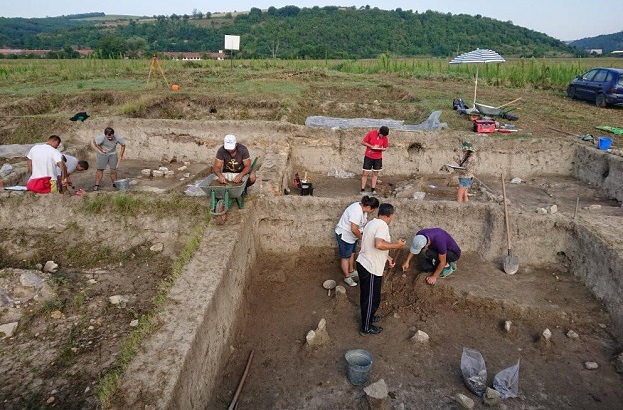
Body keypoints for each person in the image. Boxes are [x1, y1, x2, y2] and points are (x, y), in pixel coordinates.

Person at [356, 203, 406, 335]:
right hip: (370, 267)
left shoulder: (372, 223)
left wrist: (388, 258)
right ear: (390, 215)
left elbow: (372, 245)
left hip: (364, 263)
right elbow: (379, 244)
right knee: (371, 299)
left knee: (369, 296)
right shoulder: (382, 226)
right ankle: (366, 326)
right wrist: (397, 246)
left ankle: (369, 317)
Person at [335, 195, 380, 287]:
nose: (373, 212)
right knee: (345, 257)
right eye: (373, 209)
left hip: (352, 237)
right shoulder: (356, 211)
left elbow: (361, 225)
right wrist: (363, 239)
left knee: (352, 253)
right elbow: (354, 229)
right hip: (345, 236)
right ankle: (347, 277)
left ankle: (351, 271)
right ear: (368, 207)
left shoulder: (363, 210)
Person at [93, 127, 125, 191]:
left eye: (111, 137)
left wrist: (121, 155)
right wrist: (102, 150)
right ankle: (97, 185)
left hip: (112, 154)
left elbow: (123, 145)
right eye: (108, 137)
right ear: (105, 135)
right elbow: (95, 143)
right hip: (102, 154)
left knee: (113, 169)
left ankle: (115, 183)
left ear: (113, 134)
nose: (110, 138)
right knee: (100, 169)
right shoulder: (101, 137)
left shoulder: (118, 137)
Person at [360, 126, 389, 195]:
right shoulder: (371, 133)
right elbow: (363, 142)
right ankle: (362, 189)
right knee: (365, 173)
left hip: (378, 158)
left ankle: (373, 189)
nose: (382, 137)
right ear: (379, 131)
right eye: (382, 135)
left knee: (375, 173)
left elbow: (385, 147)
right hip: (369, 156)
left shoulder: (385, 137)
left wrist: (383, 149)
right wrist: (371, 146)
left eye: (384, 136)